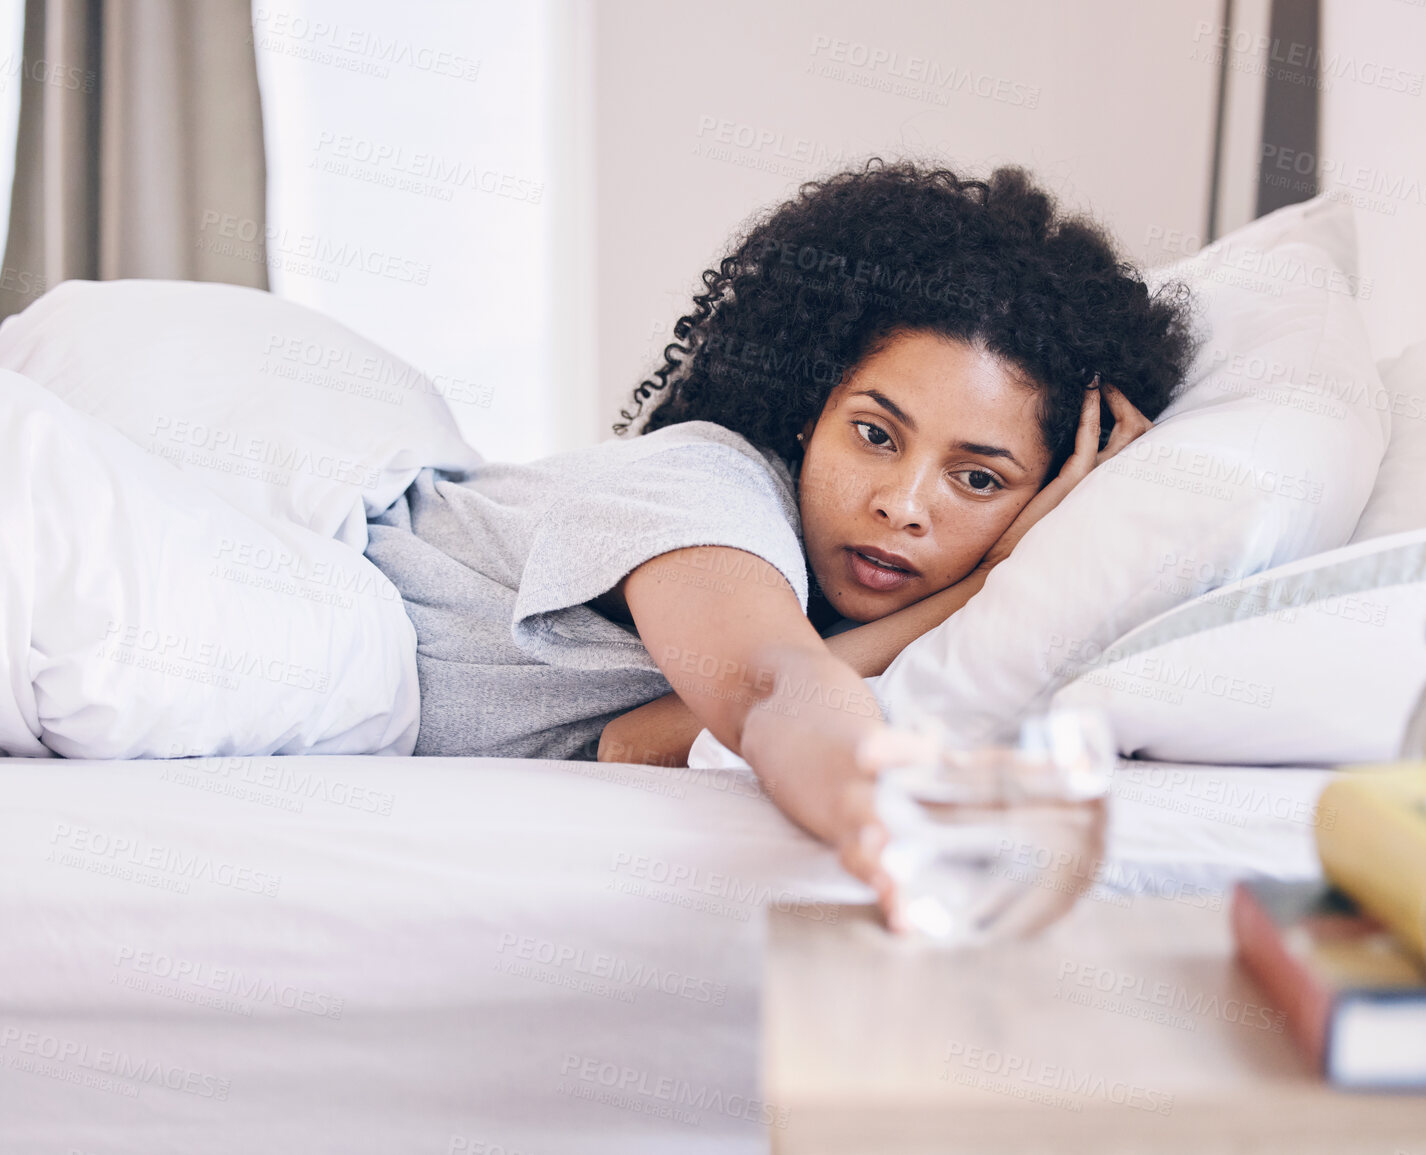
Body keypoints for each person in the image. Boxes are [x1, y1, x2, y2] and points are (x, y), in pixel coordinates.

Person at [362, 158, 1193, 916]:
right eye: (874, 434)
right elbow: (756, 692)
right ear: (810, 410)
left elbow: (643, 736)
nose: (902, 506)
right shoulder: (705, 488)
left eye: (976, 479)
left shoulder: (847, 588)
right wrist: (892, 804)